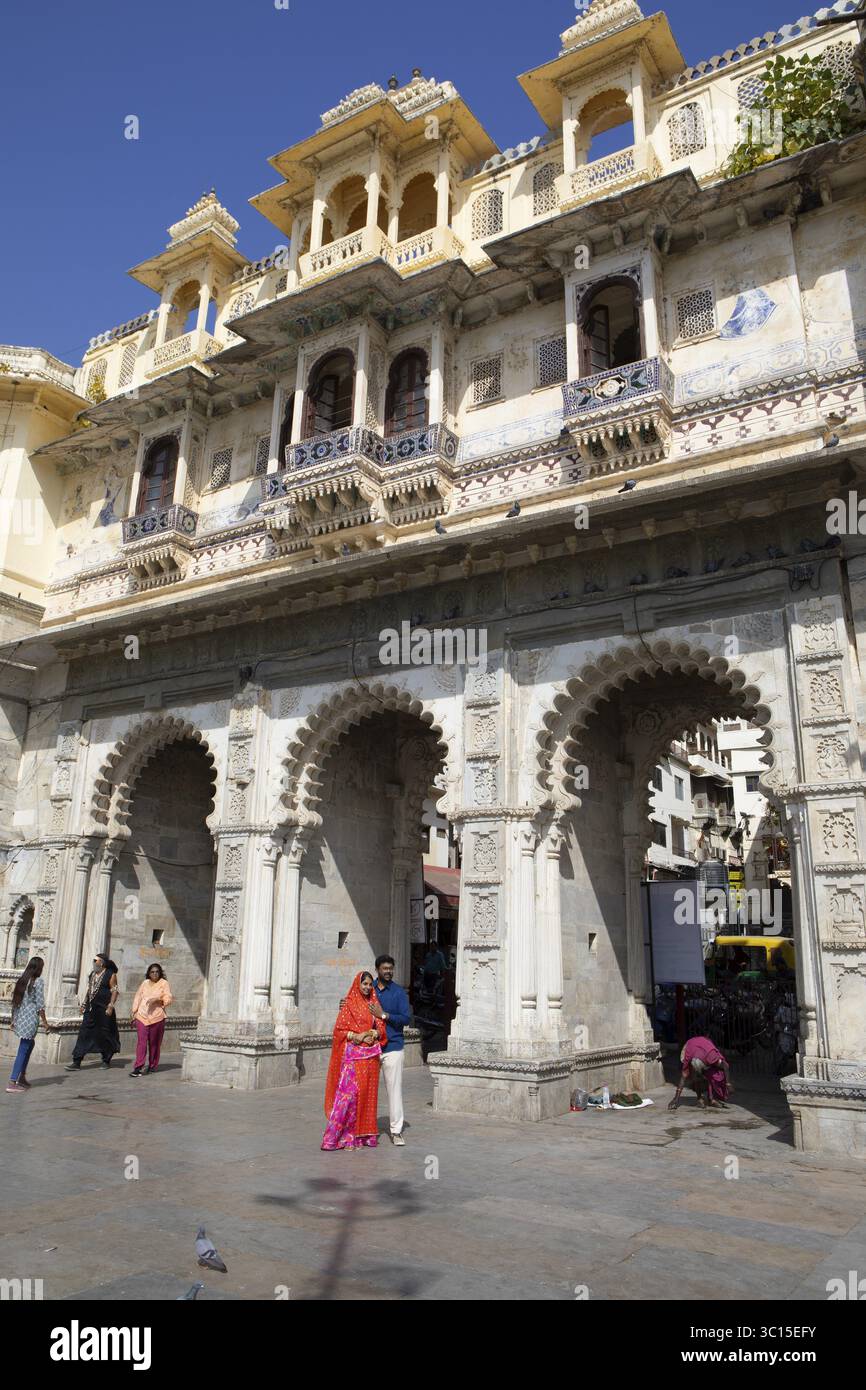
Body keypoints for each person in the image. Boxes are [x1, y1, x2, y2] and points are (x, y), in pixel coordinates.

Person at [321, 971, 387, 1150]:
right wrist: (357, 1036)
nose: (367, 987)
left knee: (366, 1096)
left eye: (369, 984)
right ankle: (340, 1137)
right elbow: (339, 1031)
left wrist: (374, 1033)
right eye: (364, 984)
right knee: (348, 1096)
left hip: (371, 1057)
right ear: (357, 984)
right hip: (352, 1055)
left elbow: (381, 1025)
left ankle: (361, 1137)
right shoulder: (348, 1003)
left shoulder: (373, 1003)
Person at [372, 953, 412, 1146]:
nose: (388, 972)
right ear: (377, 970)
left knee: (394, 1090)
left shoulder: (398, 993)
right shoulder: (367, 989)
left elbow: (405, 1018)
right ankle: (364, 1129)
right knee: (366, 1090)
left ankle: (396, 1131)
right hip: (369, 1047)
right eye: (385, 968)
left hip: (393, 1047)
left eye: (390, 968)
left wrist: (385, 1015)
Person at [65, 952, 120, 1070]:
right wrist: (84, 1004)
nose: (94, 962)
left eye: (96, 960)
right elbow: (90, 991)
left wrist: (111, 1005)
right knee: (84, 1032)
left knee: (104, 1034)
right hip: (91, 1009)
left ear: (102, 963)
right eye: (93, 960)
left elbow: (114, 991)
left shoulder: (111, 975)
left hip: (104, 1010)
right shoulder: (92, 975)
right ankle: (77, 1061)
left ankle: (106, 1059)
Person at [6, 957, 50, 1093]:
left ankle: (22, 1076)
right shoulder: (38, 982)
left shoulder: (22, 980)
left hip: (21, 1019)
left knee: (29, 1045)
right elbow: (40, 1005)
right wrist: (45, 1022)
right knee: (23, 1048)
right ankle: (13, 1081)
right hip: (30, 1019)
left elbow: (15, 1002)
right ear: (38, 968)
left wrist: (13, 1020)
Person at [668, 1035, 733, 1111]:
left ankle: (711, 1099)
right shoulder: (688, 1058)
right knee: (696, 1078)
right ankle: (699, 1099)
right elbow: (683, 1078)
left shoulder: (711, 1056)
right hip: (690, 1046)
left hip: (705, 1047)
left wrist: (728, 1084)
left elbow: (725, 1066)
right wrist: (676, 1099)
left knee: (712, 1075)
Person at [130, 963, 173, 1076]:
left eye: (157, 972)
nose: (154, 974)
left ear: (160, 973)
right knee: (141, 1042)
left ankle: (153, 1065)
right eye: (152, 972)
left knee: (154, 1043)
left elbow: (168, 998)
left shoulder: (164, 983)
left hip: (157, 1018)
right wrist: (134, 1011)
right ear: (149, 973)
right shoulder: (144, 983)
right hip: (142, 1016)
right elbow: (138, 997)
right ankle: (138, 1067)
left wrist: (157, 1000)